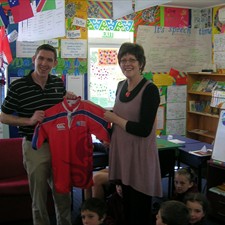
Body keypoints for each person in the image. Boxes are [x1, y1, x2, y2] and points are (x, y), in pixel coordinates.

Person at [0, 44, 76, 225]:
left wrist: (68, 97)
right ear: (34, 59)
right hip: (35, 146)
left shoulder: (57, 83)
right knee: (39, 197)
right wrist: (29, 120)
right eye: (41, 58)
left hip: (58, 146)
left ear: (55, 63)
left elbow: (62, 103)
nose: (44, 63)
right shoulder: (18, 86)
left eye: (49, 60)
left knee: (63, 193)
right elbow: (3, 116)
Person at [104, 42, 162, 225]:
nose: (127, 63)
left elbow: (144, 130)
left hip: (139, 158)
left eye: (132, 60)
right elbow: (119, 118)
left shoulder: (150, 90)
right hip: (122, 156)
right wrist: (109, 135)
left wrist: (115, 119)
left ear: (141, 63)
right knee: (125, 208)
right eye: (123, 60)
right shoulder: (120, 85)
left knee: (139, 210)